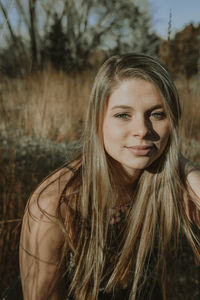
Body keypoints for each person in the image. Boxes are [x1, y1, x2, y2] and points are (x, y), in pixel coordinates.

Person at [19, 53, 200, 300]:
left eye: (157, 114)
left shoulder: (163, 180)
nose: (142, 131)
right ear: (98, 120)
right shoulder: (55, 206)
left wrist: (182, 165)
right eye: (123, 115)